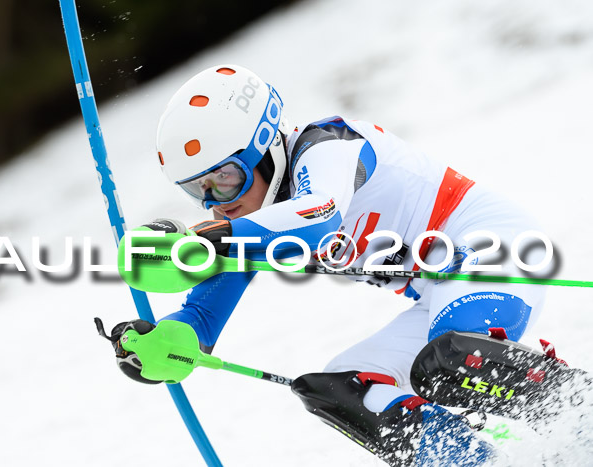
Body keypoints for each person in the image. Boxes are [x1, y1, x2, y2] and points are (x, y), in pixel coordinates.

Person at [106, 64, 581, 466]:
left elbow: (318, 216)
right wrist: (162, 344)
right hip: (439, 297)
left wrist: (206, 240)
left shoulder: (328, 144)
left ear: (265, 148)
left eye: (226, 179)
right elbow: (203, 319)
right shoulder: (248, 220)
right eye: (199, 190)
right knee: (339, 390)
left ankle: (581, 413)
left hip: (492, 251)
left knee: (445, 362)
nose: (217, 202)